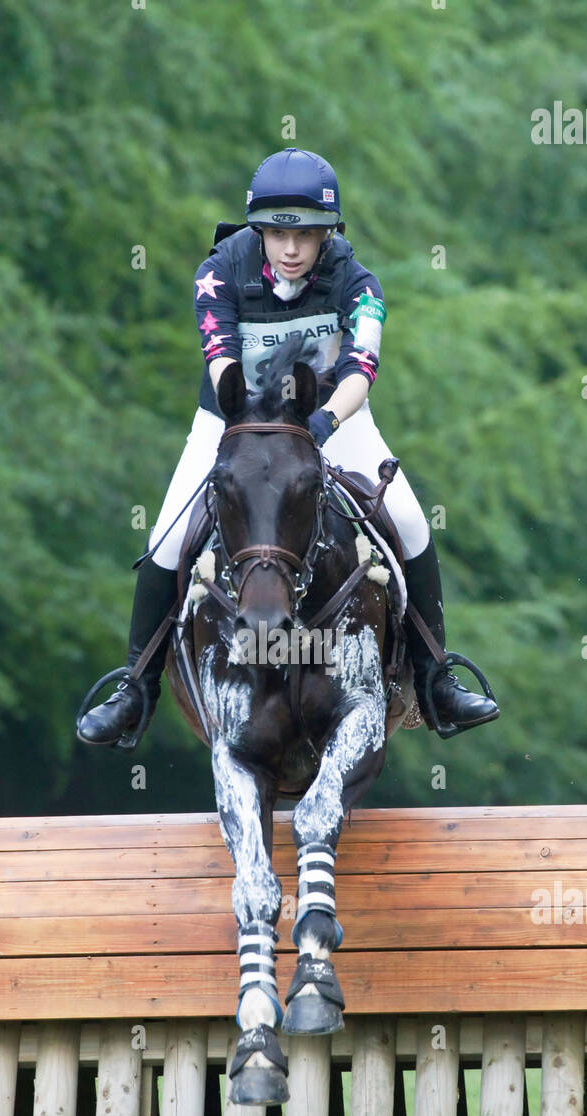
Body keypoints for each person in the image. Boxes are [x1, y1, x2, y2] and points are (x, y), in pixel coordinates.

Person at [77, 148, 499, 746]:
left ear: (328, 234)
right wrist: (247, 420)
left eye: (306, 234)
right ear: (259, 232)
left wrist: (325, 419)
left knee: (408, 518)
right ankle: (135, 692)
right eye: (278, 233)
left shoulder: (358, 283)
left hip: (333, 417)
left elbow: (361, 365)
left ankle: (435, 681)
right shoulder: (219, 272)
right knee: (167, 536)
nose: (292, 248)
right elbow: (221, 358)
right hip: (234, 419)